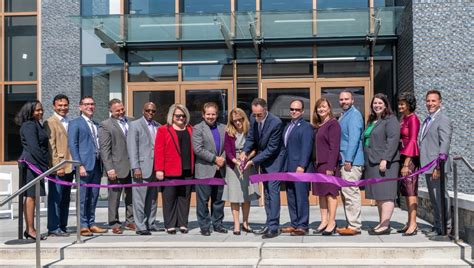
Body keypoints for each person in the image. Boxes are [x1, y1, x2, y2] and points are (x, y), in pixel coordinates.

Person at [241, 98, 283, 239]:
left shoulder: (276, 123)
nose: (257, 117)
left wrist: (252, 161)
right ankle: (269, 222)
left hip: (274, 162)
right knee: (266, 193)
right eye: (254, 114)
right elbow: (251, 138)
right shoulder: (254, 120)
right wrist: (245, 152)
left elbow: (271, 149)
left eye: (259, 114)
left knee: (273, 193)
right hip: (263, 162)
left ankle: (274, 227)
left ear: (265, 110)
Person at [68, 96, 107, 236]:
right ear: (80, 107)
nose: (90, 107)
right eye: (86, 104)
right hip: (84, 166)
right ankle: (83, 224)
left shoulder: (96, 124)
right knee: (83, 197)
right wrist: (79, 165)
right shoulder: (75, 123)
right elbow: (73, 145)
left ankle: (91, 222)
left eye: (92, 104)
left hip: (97, 165)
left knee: (94, 195)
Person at [364, 93, 400, 235]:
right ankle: (382, 222)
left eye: (380, 103)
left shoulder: (390, 120)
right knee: (379, 195)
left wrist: (385, 158)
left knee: (386, 194)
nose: (377, 105)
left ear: (386, 105)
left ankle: (385, 226)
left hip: (385, 163)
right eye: (375, 103)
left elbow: (393, 140)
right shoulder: (373, 120)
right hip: (372, 161)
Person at [155, 104, 194, 234]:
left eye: (183, 116)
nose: (181, 118)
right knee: (169, 199)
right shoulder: (163, 130)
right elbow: (159, 151)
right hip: (170, 170)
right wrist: (159, 169)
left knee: (184, 198)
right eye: (178, 115)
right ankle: (170, 224)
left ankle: (183, 223)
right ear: (172, 116)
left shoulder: (190, 129)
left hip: (187, 169)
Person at [98, 99, 135, 234]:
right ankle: (114, 223)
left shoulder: (132, 121)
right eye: (117, 110)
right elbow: (104, 149)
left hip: (132, 166)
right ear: (111, 111)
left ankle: (130, 221)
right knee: (114, 197)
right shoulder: (106, 125)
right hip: (116, 167)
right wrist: (109, 168)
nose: (121, 112)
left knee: (131, 196)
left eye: (122, 109)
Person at [419, 89, 452, 237]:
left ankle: (446, 228)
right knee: (433, 199)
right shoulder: (428, 119)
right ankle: (438, 226)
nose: (430, 103)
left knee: (440, 197)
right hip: (428, 166)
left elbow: (444, 143)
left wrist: (438, 166)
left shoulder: (442, 119)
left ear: (440, 102)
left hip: (436, 166)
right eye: (428, 101)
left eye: (433, 101)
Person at [222, 108, 260, 235]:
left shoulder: (250, 130)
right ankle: (236, 224)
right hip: (233, 165)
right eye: (235, 121)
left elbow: (256, 148)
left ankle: (246, 222)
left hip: (248, 163)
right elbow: (227, 151)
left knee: (246, 195)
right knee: (234, 196)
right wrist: (237, 161)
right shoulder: (229, 132)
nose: (237, 123)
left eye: (240, 120)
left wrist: (247, 159)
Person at [278, 100, 313, 236]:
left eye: (297, 110)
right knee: (291, 196)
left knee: (301, 196)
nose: (294, 111)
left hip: (299, 168)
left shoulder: (306, 127)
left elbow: (306, 147)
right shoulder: (288, 126)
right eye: (292, 109)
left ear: (302, 111)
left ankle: (303, 225)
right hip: (288, 167)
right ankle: (294, 223)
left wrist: (302, 166)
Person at [192, 102, 227, 236]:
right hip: (204, 170)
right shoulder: (198, 128)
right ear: (203, 114)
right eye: (208, 114)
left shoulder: (223, 128)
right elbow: (198, 149)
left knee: (218, 200)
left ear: (217, 115)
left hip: (220, 170)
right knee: (203, 201)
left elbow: (228, 146)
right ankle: (205, 226)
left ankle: (218, 224)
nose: (211, 116)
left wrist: (222, 159)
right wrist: (215, 159)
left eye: (213, 114)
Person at [16, 101, 50, 240]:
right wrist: (45, 166)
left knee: (34, 197)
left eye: (41, 110)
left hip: (36, 164)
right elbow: (34, 147)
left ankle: (31, 228)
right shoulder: (29, 125)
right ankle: (30, 229)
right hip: (31, 164)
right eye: (37, 110)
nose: (40, 112)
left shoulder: (37, 124)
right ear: (29, 112)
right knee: (30, 197)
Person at [128, 102, 162, 235]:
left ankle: (151, 222)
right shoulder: (135, 125)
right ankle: (140, 225)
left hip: (155, 168)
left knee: (153, 198)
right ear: (143, 111)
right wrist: (135, 167)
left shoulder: (158, 126)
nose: (150, 113)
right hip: (141, 167)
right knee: (139, 199)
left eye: (153, 111)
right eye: (148, 110)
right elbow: (132, 148)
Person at [336, 91, 365, 236]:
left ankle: (354, 226)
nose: (344, 101)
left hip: (351, 162)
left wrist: (348, 159)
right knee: (346, 193)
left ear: (352, 100)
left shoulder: (354, 115)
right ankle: (351, 223)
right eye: (341, 99)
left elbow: (354, 139)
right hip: (345, 160)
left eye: (346, 99)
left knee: (351, 193)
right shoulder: (344, 115)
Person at [44, 94, 73, 237]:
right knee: (55, 198)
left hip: (70, 166)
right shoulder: (50, 122)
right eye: (60, 105)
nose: (63, 108)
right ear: (54, 106)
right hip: (59, 167)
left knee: (65, 198)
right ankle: (53, 227)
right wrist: (57, 166)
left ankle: (63, 225)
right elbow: (51, 147)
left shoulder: (70, 121)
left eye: (65, 105)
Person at [312, 98, 341, 236]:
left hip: (329, 166)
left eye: (324, 107)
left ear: (329, 108)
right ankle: (323, 221)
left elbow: (334, 147)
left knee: (330, 194)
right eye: (319, 107)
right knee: (321, 195)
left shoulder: (333, 124)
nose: (321, 109)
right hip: (319, 165)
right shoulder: (320, 125)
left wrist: (331, 166)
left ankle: (331, 222)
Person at [397, 93, 421, 236]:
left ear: (409, 104)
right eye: (399, 103)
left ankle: (413, 223)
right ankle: (409, 222)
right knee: (406, 191)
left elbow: (412, 141)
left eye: (403, 104)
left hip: (410, 159)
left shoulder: (413, 119)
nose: (400, 106)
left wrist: (406, 164)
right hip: (402, 157)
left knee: (411, 191)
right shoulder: (403, 118)